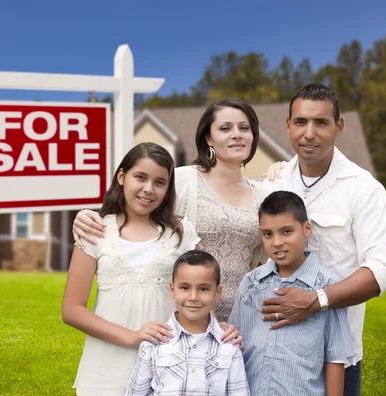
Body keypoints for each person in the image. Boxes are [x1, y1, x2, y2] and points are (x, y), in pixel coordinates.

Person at [259, 83, 386, 395]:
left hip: (336, 355)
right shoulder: (272, 183)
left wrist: (316, 300)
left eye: (321, 122)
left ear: (338, 126)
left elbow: (384, 270)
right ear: (288, 126)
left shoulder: (364, 189)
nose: (309, 133)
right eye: (300, 122)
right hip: (274, 351)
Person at [73, 98, 268, 323]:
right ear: (208, 138)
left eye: (245, 128)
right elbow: (137, 210)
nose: (237, 134)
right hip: (183, 316)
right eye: (225, 128)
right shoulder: (183, 180)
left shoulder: (263, 193)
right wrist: (85, 216)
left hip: (244, 316)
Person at [62, 142, 202, 395]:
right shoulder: (95, 231)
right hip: (105, 368)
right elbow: (72, 310)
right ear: (122, 177)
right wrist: (133, 336)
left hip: (166, 365)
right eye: (140, 177)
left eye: (160, 182)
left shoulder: (181, 233)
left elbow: (201, 294)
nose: (149, 189)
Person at [229, 191, 354, 396]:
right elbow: (234, 346)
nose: (277, 242)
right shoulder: (251, 284)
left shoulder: (328, 286)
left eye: (286, 231)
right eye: (268, 234)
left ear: (306, 229)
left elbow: (335, 357)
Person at [125, 250, 250, 396]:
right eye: (185, 288)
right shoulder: (154, 343)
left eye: (203, 289)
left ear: (218, 292)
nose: (193, 297)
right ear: (172, 289)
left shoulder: (229, 346)